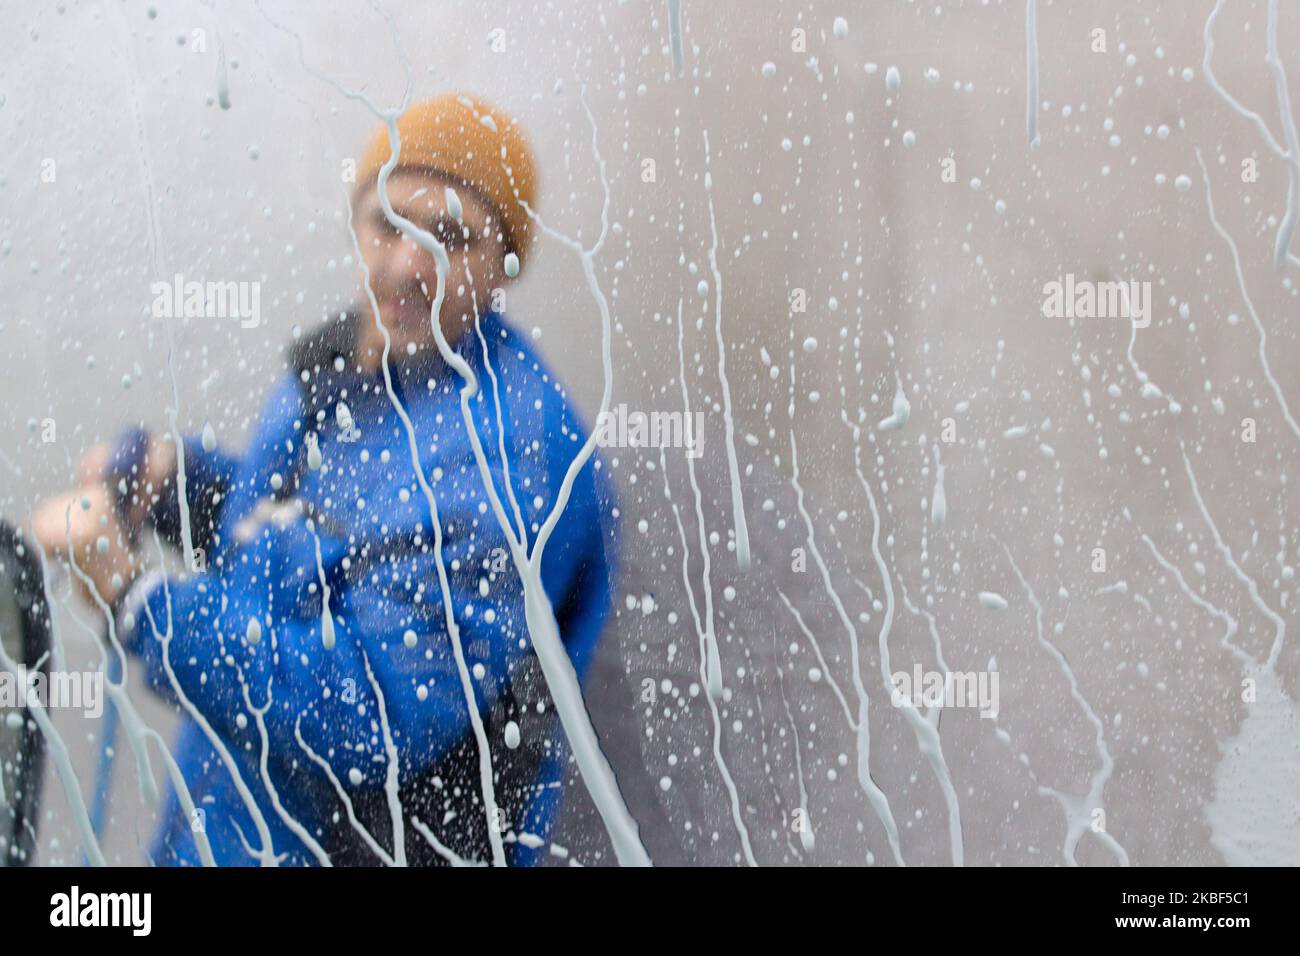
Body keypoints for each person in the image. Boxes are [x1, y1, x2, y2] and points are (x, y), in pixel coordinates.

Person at [32, 92, 619, 866]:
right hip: (235, 832)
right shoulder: (363, 362)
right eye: (390, 224)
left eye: (451, 238)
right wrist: (180, 485)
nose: (409, 264)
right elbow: (328, 543)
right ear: (357, 223)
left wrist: (133, 593)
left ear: (505, 264)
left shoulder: (512, 463)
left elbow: (368, 716)